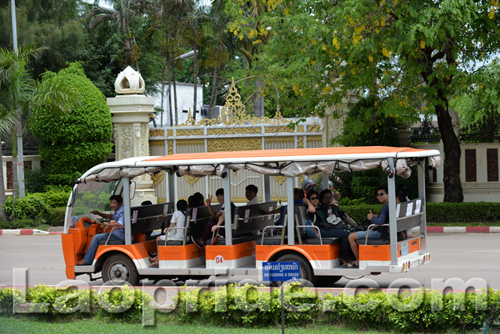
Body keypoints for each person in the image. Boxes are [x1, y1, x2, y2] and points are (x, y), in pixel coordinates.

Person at [303, 190, 352, 267]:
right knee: (347, 234)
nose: (315, 200)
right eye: (312, 198)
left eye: (317, 198)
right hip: (321, 231)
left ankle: (347, 255)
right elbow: (312, 210)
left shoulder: (320, 208)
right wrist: (307, 201)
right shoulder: (310, 210)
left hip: (328, 228)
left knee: (348, 232)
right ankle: (343, 257)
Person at [348, 185, 390, 267]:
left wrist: (372, 217)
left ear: (388, 194)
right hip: (385, 231)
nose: (379, 196)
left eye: (382, 194)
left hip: (380, 233)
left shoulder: (385, 207)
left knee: (351, 236)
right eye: (377, 195)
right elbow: (384, 218)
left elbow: (380, 222)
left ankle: (358, 260)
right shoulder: (389, 205)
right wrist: (376, 216)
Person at [77, 195, 125, 265]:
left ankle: (87, 260)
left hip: (120, 235)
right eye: (111, 203)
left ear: (120, 203)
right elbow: (112, 217)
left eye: (114, 203)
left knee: (96, 238)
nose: (112, 205)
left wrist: (108, 225)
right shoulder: (120, 210)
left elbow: (120, 224)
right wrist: (99, 213)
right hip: (121, 233)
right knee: (101, 236)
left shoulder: (122, 211)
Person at [149, 200, 187, 266]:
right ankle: (157, 256)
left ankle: (158, 257)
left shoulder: (177, 213)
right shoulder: (186, 213)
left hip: (178, 237)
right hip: (185, 237)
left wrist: (166, 229)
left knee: (158, 238)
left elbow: (171, 227)